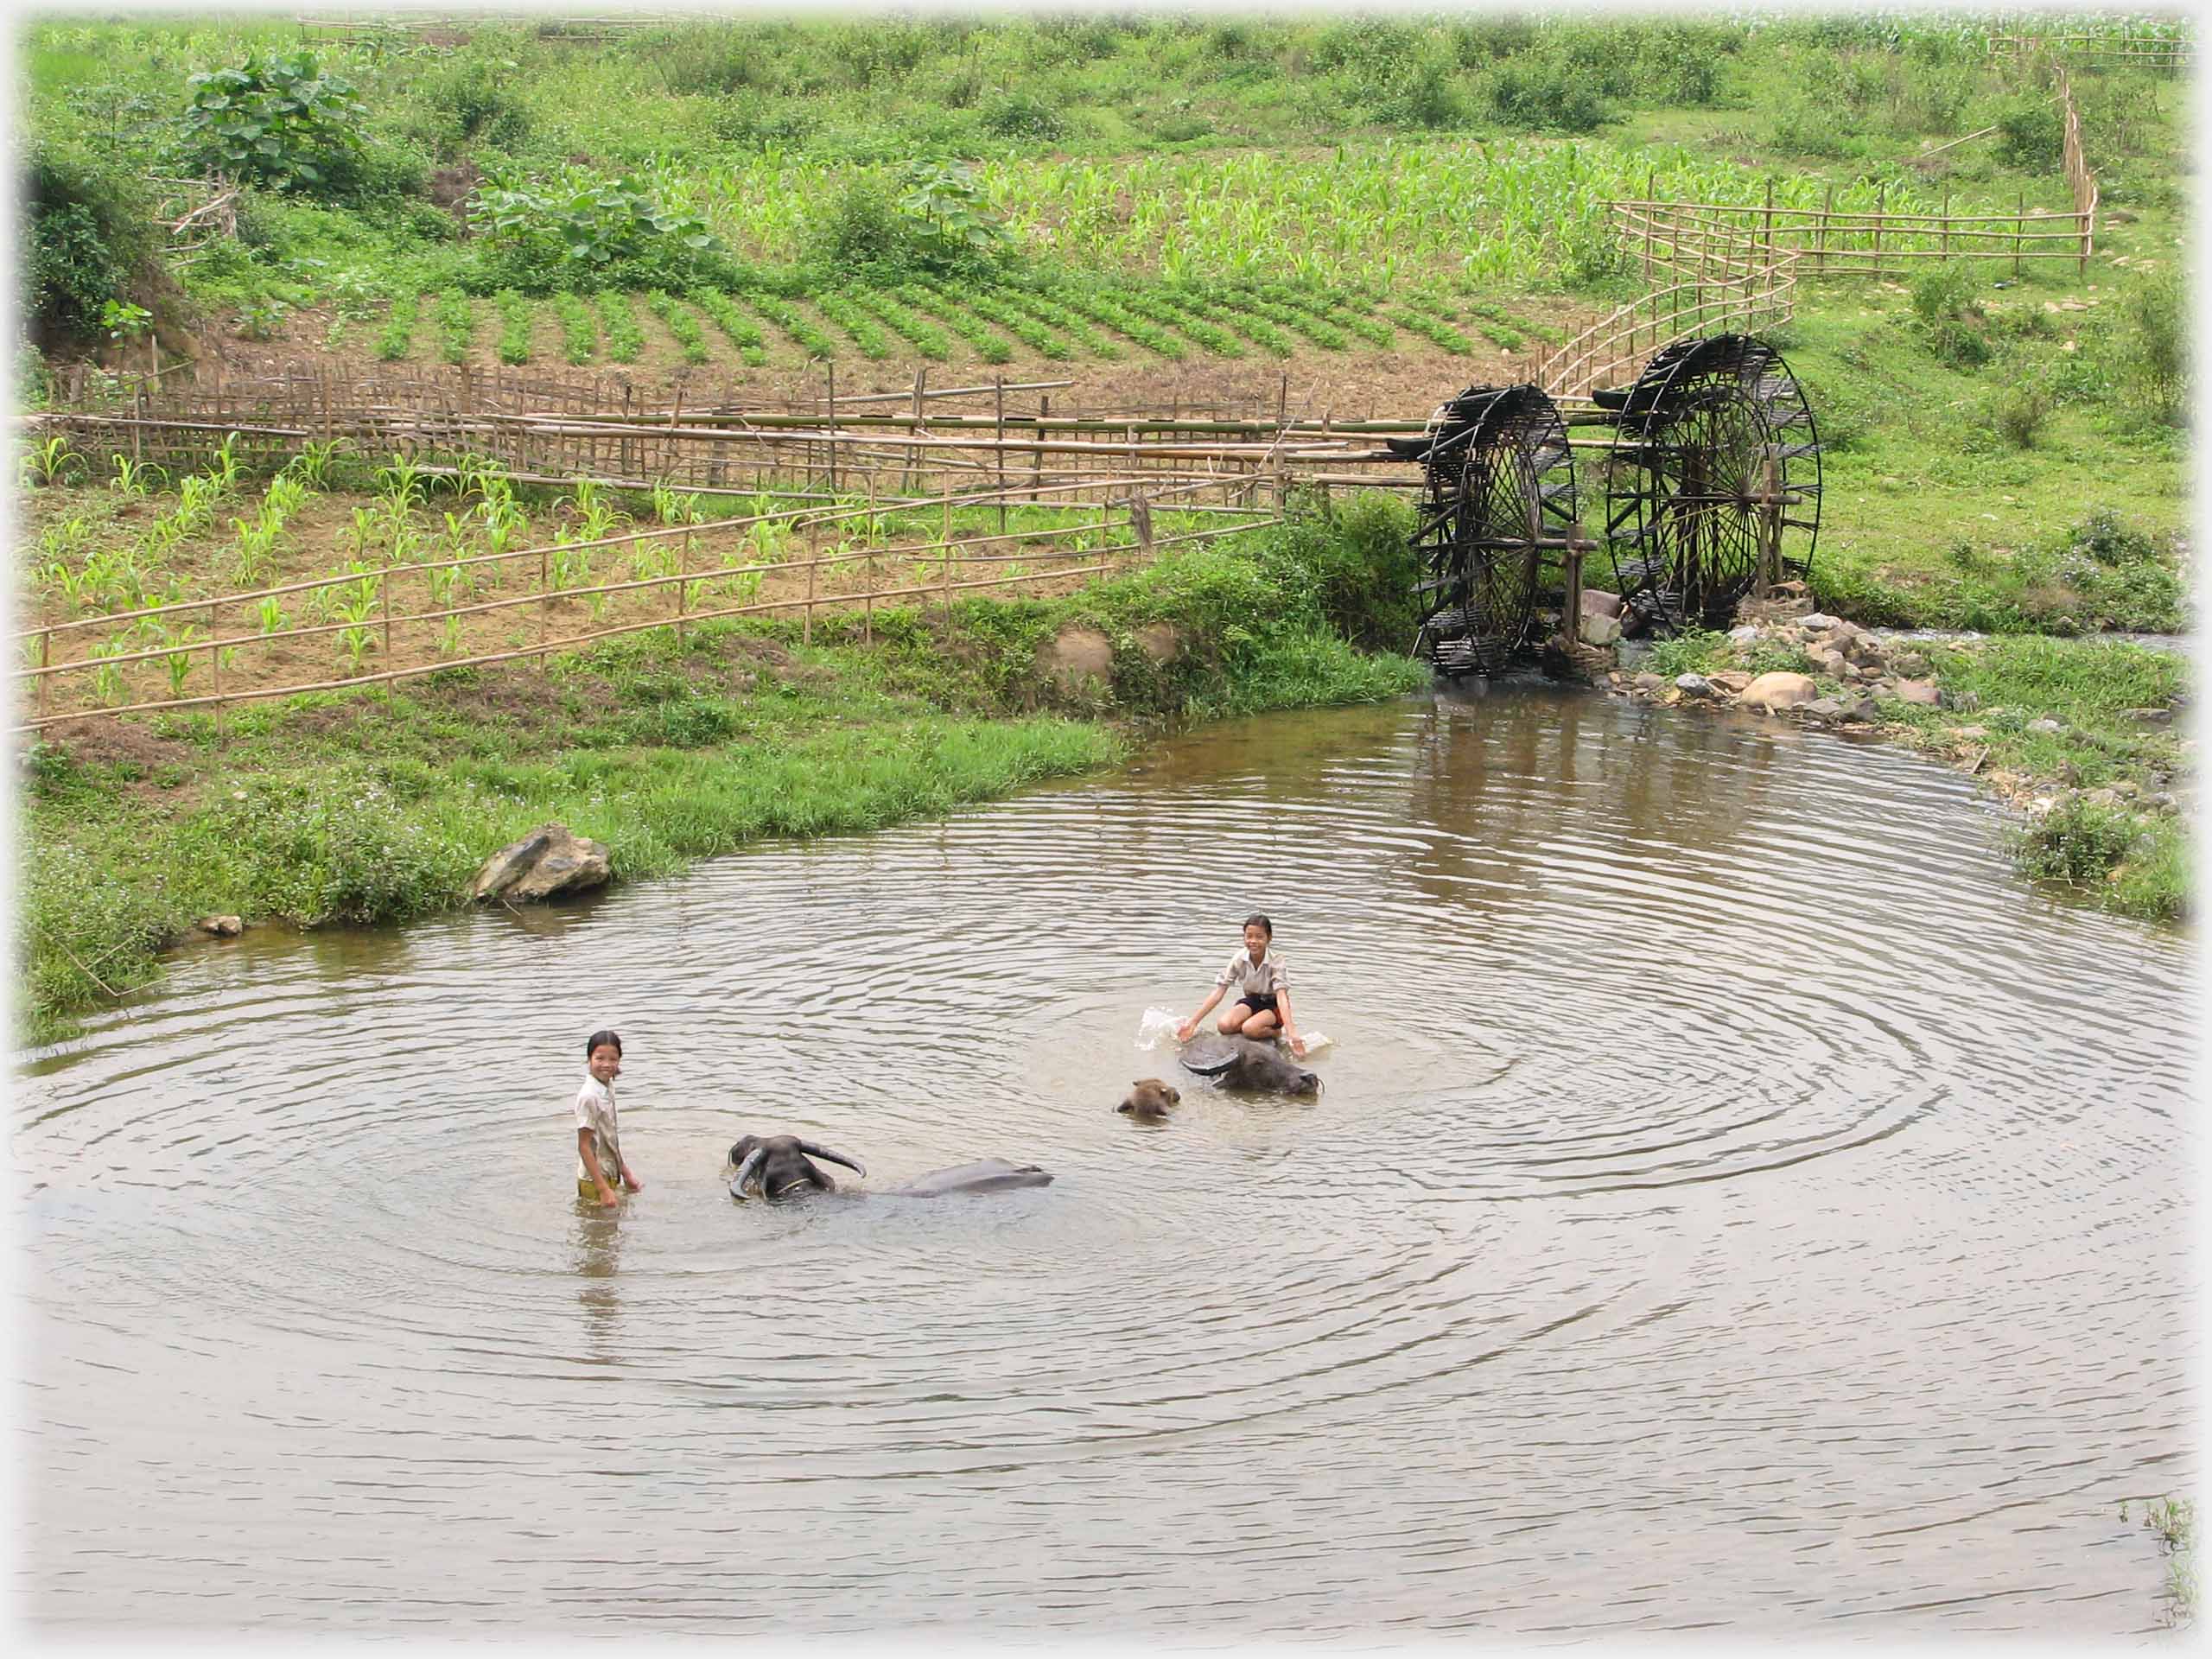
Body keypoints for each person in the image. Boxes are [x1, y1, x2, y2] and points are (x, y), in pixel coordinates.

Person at [1176, 913, 1306, 1058]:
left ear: (1269, 938)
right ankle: (1251, 1026)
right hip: (1252, 1000)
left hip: (1273, 1005)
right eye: (1249, 936)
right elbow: (1219, 991)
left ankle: (1274, 1032)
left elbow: (1281, 997)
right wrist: (1193, 1022)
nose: (1253, 941)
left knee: (1250, 1029)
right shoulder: (1239, 958)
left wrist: (1291, 1033)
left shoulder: (1276, 960)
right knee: (1224, 1026)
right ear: (1244, 937)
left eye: (1259, 937)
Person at [574, 1028, 644, 1207]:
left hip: (610, 1172)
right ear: (589, 1059)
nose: (606, 1064)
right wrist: (603, 1189)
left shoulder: (607, 1087)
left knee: (610, 1230)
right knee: (595, 1231)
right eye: (600, 1058)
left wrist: (626, 1173)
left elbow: (610, 1138)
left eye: (613, 1059)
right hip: (594, 1180)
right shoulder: (589, 1096)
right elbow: (584, 1146)